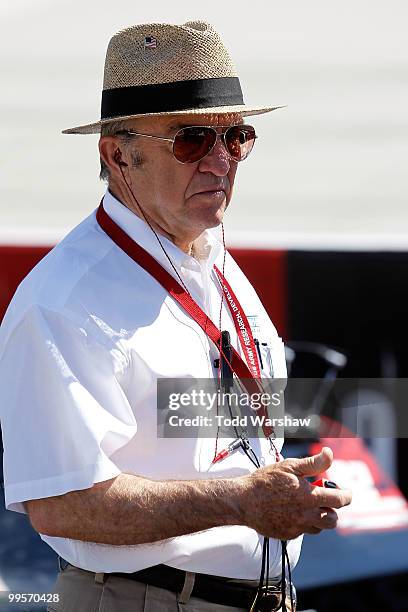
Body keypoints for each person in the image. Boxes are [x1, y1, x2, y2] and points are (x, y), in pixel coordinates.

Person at [0, 21, 351, 612]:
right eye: (190, 139)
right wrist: (241, 502)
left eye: (236, 137)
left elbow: (202, 445)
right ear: (118, 154)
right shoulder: (63, 301)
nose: (220, 161)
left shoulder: (211, 259)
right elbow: (64, 504)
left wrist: (274, 485)